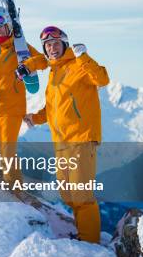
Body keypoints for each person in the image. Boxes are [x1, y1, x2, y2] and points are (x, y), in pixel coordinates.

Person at [21, 25, 110, 243]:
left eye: (55, 43)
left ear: (65, 44)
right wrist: (35, 117)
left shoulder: (78, 65)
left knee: (82, 196)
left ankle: (90, 244)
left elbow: (102, 79)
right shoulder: (54, 73)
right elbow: (53, 108)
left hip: (81, 139)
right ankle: (83, 235)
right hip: (61, 143)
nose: (52, 48)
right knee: (69, 195)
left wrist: (83, 56)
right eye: (48, 45)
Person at [0, 5, 46, 187]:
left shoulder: (19, 47)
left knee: (8, 152)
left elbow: (43, 60)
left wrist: (27, 66)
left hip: (11, 109)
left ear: (8, 25)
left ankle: (14, 188)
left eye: (0, 25)